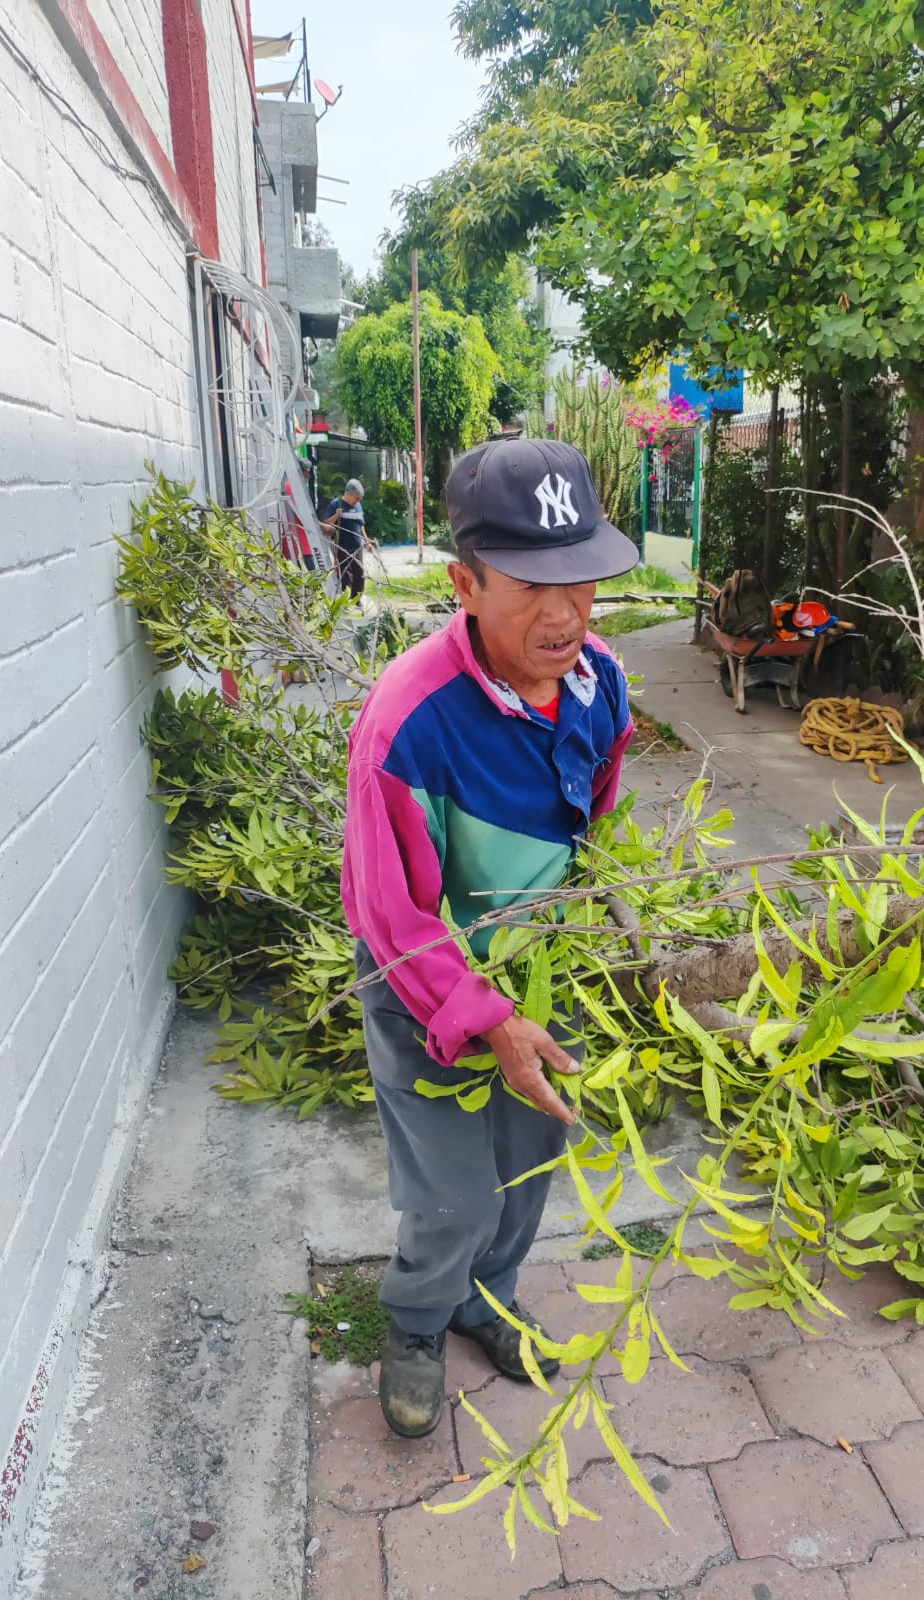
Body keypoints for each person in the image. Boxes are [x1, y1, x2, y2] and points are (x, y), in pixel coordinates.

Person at [341, 437, 640, 1438]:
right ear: (464, 582)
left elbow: (594, 813)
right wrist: (486, 1014)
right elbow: (387, 913)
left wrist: (602, 913)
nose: (565, 612)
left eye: (582, 580)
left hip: (542, 964)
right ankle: (417, 1321)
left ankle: (488, 1298)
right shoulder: (407, 719)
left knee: (529, 1156)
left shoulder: (601, 683)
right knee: (453, 1195)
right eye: (531, 585)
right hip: (422, 978)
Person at [321, 477, 369, 599]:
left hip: (357, 545)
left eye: (360, 499)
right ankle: (346, 598)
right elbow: (327, 524)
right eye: (356, 498)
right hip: (342, 545)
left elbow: (361, 525)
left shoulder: (358, 506)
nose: (358, 501)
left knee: (359, 572)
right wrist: (337, 515)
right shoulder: (336, 504)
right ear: (348, 494)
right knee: (345, 573)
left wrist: (367, 541)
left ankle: (357, 598)